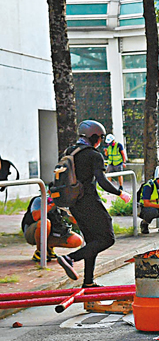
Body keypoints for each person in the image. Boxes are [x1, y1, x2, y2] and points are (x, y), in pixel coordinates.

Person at [57, 120, 131, 288]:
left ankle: (88, 282)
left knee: (92, 241)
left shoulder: (71, 151)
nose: (100, 141)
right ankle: (70, 258)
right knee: (107, 239)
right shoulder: (93, 155)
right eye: (99, 138)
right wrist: (120, 193)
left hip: (74, 203)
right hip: (89, 202)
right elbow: (102, 181)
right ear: (94, 136)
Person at [21, 196, 83, 263]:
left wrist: (75, 213)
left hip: (53, 232)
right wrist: (51, 205)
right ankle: (40, 252)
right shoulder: (39, 200)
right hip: (32, 233)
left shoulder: (63, 202)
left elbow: (73, 220)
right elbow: (36, 217)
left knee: (77, 240)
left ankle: (48, 248)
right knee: (45, 222)